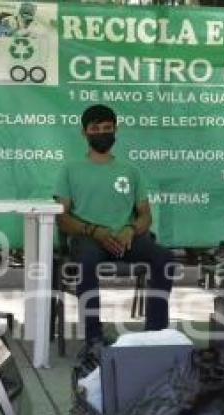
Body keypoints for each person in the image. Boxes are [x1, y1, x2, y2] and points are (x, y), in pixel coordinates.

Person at [54, 104, 174, 358]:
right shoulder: (70, 169)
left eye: (107, 128)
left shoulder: (130, 170)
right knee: (86, 263)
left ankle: (155, 334)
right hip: (88, 238)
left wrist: (131, 229)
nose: (102, 133)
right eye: (95, 128)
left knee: (164, 258)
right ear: (84, 132)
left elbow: (145, 214)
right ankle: (94, 339)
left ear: (115, 129)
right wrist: (93, 230)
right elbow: (62, 217)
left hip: (126, 239)